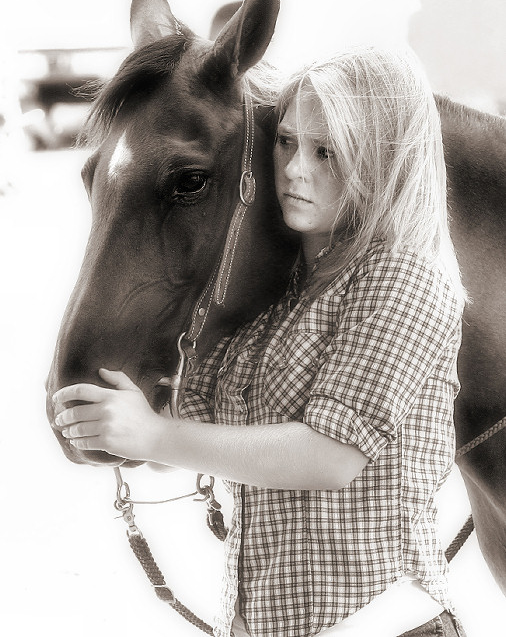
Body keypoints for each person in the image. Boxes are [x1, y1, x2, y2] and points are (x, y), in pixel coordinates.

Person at [53, 47, 467, 637]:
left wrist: (156, 434)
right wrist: (115, 418)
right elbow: (200, 433)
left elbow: (331, 456)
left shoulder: (404, 277)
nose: (296, 169)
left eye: (327, 150)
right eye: (287, 142)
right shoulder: (275, 303)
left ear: (385, 156)